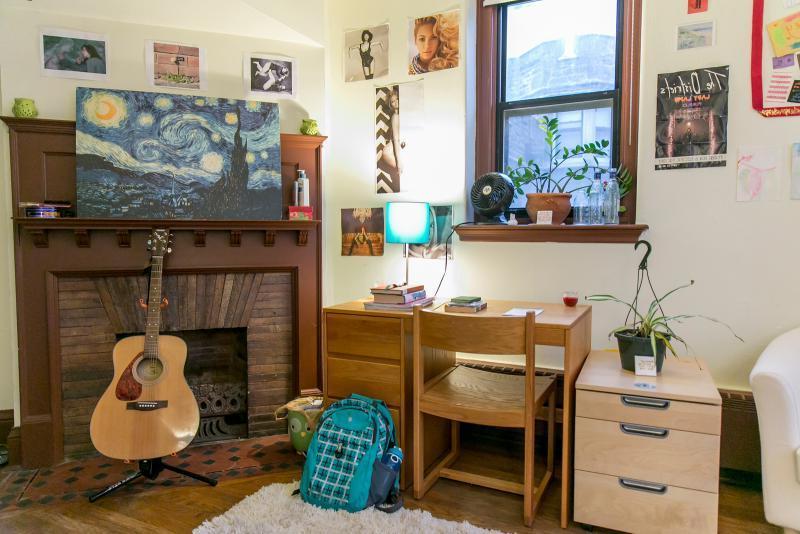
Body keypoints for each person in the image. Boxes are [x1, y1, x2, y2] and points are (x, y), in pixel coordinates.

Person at [378, 87, 405, 188]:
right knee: (402, 170)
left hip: (397, 149)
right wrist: (399, 162)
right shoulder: (395, 116)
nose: (396, 102)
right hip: (391, 151)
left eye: (397, 99)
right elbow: (396, 139)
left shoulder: (403, 115)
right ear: (391, 105)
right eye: (393, 102)